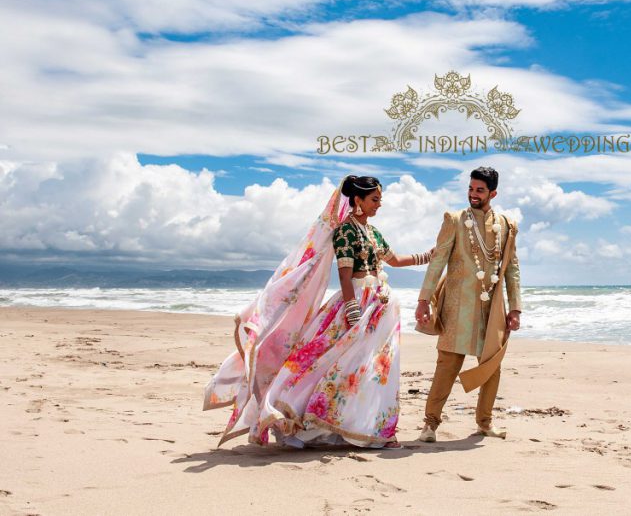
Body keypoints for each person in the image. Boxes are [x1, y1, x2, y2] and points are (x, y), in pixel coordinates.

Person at [203, 174, 434, 449]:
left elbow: (394, 261)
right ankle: (323, 418)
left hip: (381, 307)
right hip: (359, 303)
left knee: (373, 367)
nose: (379, 205)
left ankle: (371, 428)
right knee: (340, 362)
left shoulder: (373, 233)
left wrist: (429, 256)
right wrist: (351, 308)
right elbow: (346, 275)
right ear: (357, 200)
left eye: (380, 200)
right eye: (374, 199)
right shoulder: (345, 232)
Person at [414, 166, 522, 442]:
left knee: (491, 366)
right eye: (471, 188)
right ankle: (430, 425)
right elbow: (437, 262)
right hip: (457, 308)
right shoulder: (454, 219)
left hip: (491, 308)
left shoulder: (507, 226)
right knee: (447, 365)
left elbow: (512, 269)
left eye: (480, 190)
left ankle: (485, 423)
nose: (473, 194)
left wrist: (515, 308)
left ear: (493, 193)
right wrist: (423, 301)